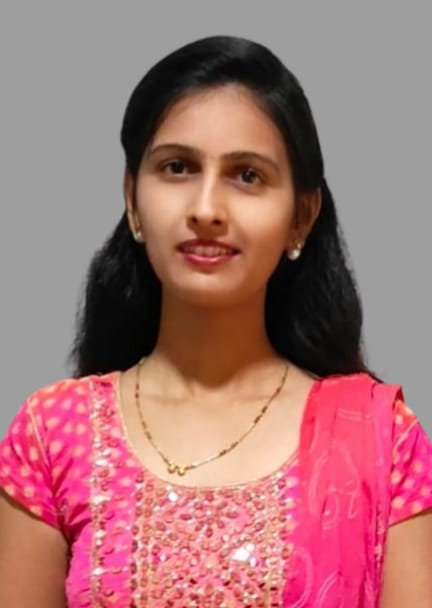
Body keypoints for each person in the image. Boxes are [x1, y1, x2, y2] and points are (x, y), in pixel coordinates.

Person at [0, 35, 431, 608]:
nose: (206, 210)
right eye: (177, 168)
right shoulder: (53, 435)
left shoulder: (382, 442)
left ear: (301, 217)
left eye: (247, 175)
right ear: (132, 198)